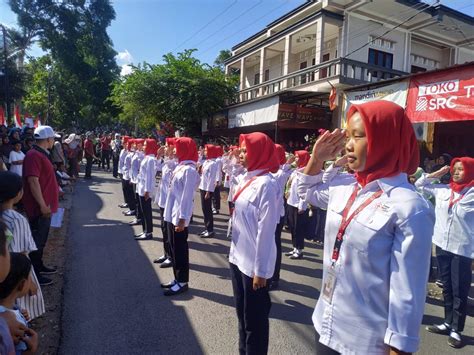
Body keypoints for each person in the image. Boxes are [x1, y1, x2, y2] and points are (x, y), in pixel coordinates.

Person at [297, 101, 434, 354]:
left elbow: (407, 290)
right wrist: (316, 158)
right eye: (348, 136)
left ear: (386, 140)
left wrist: (399, 348)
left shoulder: (409, 207)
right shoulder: (346, 188)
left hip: (365, 343)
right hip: (325, 323)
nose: (348, 145)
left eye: (358, 136)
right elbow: (305, 190)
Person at [229, 132, 279, 355]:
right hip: (238, 258)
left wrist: (261, 271)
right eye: (240, 149)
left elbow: (266, 231)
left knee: (255, 324)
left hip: (253, 268)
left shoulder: (266, 185)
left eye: (245, 150)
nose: (240, 153)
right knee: (242, 316)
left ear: (258, 153)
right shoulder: (247, 178)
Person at [417, 157, 473, 348]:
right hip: (442, 245)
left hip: (462, 249)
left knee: (460, 291)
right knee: (447, 287)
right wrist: (436, 174)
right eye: (454, 169)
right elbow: (419, 185)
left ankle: (457, 330)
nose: (456, 172)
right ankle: (447, 322)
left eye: (461, 169)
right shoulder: (443, 190)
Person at [0, 171, 45, 320]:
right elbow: (21, 253)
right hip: (17, 277)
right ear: (18, 194)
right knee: (20, 315)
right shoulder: (16, 220)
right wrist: (29, 281)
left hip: (4, 276)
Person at [161, 137, 200, 296]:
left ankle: (182, 281)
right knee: (173, 247)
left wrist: (183, 219)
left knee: (180, 249)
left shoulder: (189, 170)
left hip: (179, 216)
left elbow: (186, 196)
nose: (174, 150)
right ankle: (176, 278)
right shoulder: (181, 166)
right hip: (172, 213)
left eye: (176, 148)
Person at [22, 125, 59, 286]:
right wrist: (43, 205)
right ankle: (35, 274)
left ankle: (39, 265)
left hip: (45, 205)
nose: (53, 141)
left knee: (41, 239)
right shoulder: (34, 155)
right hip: (39, 208)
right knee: (37, 240)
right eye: (53, 139)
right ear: (48, 139)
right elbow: (32, 180)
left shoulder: (40, 154)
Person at [0, 252, 39, 354]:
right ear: (22, 284)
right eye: (30, 278)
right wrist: (31, 351)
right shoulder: (14, 324)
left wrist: (18, 311)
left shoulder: (7, 313)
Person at [270, 144, 294, 289]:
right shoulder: (272, 171)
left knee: (274, 246)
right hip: (269, 214)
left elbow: (284, 171)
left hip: (276, 215)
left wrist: (285, 164)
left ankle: (274, 277)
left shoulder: (281, 173)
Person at [153, 138, 177, 268]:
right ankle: (166, 253)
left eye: (167, 146)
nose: (164, 147)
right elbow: (157, 169)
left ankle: (171, 256)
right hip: (163, 200)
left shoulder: (175, 164)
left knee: (169, 231)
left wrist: (169, 156)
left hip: (170, 203)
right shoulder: (167, 162)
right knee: (163, 229)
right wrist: (159, 155)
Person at [285, 150, 311, 260]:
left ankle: (300, 250)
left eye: (297, 157)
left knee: (298, 228)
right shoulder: (296, 171)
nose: (296, 159)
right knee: (292, 227)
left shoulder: (307, 172)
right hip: (291, 202)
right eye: (295, 157)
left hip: (299, 205)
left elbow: (306, 190)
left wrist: (302, 204)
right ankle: (295, 248)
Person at [135, 139, 159, 241]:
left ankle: (148, 232)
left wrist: (147, 190)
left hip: (145, 189)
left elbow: (150, 176)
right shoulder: (147, 158)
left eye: (145, 145)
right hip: (141, 187)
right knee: (143, 211)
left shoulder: (151, 159)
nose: (143, 147)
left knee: (147, 212)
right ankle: (145, 231)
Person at [198, 144, 220, 238]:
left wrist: (208, 191)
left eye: (206, 150)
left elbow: (211, 179)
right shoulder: (207, 161)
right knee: (204, 209)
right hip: (202, 187)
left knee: (207, 209)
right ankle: (207, 228)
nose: (205, 152)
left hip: (207, 189)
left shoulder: (213, 163)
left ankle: (210, 230)